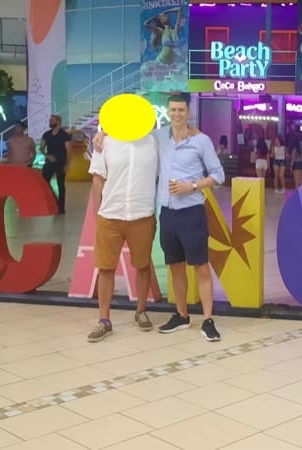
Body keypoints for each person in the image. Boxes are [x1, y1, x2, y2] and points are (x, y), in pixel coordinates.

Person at [155, 95, 225, 342]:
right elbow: (130, 136)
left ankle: (207, 319)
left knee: (201, 267)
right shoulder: (159, 137)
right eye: (173, 109)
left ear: (188, 112)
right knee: (175, 266)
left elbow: (218, 175)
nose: (176, 114)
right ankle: (181, 314)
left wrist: (192, 186)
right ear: (168, 111)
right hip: (167, 212)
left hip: (192, 212)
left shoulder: (201, 141)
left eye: (181, 110)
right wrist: (102, 134)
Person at [86, 132, 159, 342]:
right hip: (110, 214)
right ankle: (104, 320)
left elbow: (160, 173)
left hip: (142, 213)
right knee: (106, 267)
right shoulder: (105, 142)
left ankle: (141, 310)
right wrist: (97, 213)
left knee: (142, 264)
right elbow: (98, 179)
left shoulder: (153, 141)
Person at [40, 115, 72, 214]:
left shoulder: (65, 135)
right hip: (50, 162)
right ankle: (52, 201)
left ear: (58, 122)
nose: (50, 121)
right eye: (50, 120)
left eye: (52, 120)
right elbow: (41, 148)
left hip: (61, 163)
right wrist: (47, 155)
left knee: (60, 185)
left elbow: (69, 151)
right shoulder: (46, 134)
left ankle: (61, 207)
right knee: (44, 182)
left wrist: (67, 164)